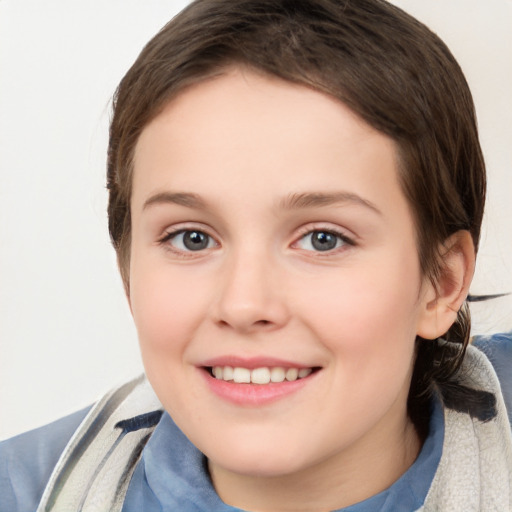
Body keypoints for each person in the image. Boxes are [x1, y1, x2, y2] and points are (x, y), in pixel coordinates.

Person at [1, 0, 511, 510]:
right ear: (128, 272)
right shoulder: (26, 491)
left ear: (441, 283)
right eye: (191, 238)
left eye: (322, 239)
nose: (244, 305)